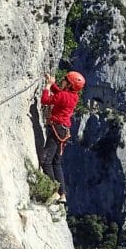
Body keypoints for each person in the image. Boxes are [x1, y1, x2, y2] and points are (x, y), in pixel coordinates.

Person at [40, 71, 85, 204]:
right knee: (56, 162)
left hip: (57, 129)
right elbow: (60, 95)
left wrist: (48, 86)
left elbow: (45, 100)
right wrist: (52, 84)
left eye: (65, 79)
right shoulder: (73, 96)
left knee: (46, 160)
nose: (63, 80)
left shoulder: (64, 95)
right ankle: (63, 194)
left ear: (70, 85)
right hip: (63, 130)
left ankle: (54, 191)